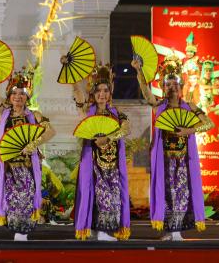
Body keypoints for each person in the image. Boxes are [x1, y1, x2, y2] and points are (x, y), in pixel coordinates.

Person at [132, 54, 215, 241]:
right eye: (167, 84)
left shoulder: (190, 106)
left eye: (174, 84)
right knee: (166, 194)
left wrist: (189, 130)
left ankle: (177, 230)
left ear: (180, 87)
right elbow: (146, 93)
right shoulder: (159, 105)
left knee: (181, 192)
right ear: (163, 87)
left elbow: (208, 123)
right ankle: (170, 230)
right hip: (164, 159)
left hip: (183, 159)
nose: (171, 87)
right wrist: (138, 71)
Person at [0, 61, 56, 241]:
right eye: (14, 93)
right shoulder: (3, 114)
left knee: (26, 197)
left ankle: (22, 234)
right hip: (9, 168)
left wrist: (34, 143)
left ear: (27, 96)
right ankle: (18, 233)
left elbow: (50, 131)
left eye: (22, 93)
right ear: (9, 95)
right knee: (11, 200)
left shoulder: (35, 115)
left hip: (28, 167)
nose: (18, 96)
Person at [63, 56, 131, 241]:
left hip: (113, 163)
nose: (102, 94)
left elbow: (126, 128)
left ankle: (102, 231)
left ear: (110, 93)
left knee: (112, 195)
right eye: (98, 90)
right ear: (93, 92)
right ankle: (99, 231)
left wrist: (108, 137)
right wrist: (72, 74)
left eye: (105, 90)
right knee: (95, 192)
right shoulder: (88, 110)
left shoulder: (117, 113)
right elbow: (77, 94)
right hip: (94, 163)